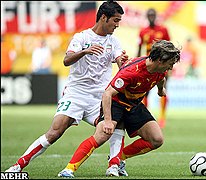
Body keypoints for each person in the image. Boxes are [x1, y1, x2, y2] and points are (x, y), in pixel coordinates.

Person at [5, 1, 129, 177]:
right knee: (55, 131)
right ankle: (17, 166)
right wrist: (85, 52)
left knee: (116, 121)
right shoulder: (81, 38)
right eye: (115, 20)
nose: (117, 25)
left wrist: (123, 61)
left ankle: (114, 166)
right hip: (76, 93)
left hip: (99, 97)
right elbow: (67, 60)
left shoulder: (114, 41)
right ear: (103, 17)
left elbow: (119, 61)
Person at [58, 40, 180, 178]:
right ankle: (68, 169)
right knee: (102, 135)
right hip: (116, 103)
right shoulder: (132, 72)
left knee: (157, 139)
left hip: (133, 104)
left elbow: (160, 79)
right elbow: (107, 94)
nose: (171, 67)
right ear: (159, 60)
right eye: (170, 63)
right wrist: (109, 120)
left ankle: (117, 158)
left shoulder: (159, 70)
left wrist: (160, 90)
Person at [137, 8, 171, 128]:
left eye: (153, 15)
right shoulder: (143, 32)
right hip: (148, 66)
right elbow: (139, 50)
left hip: (162, 66)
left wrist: (168, 65)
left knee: (163, 90)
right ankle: (145, 116)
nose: (151, 17)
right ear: (147, 16)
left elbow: (169, 48)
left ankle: (162, 117)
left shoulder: (163, 30)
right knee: (145, 92)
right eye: (149, 15)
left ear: (155, 16)